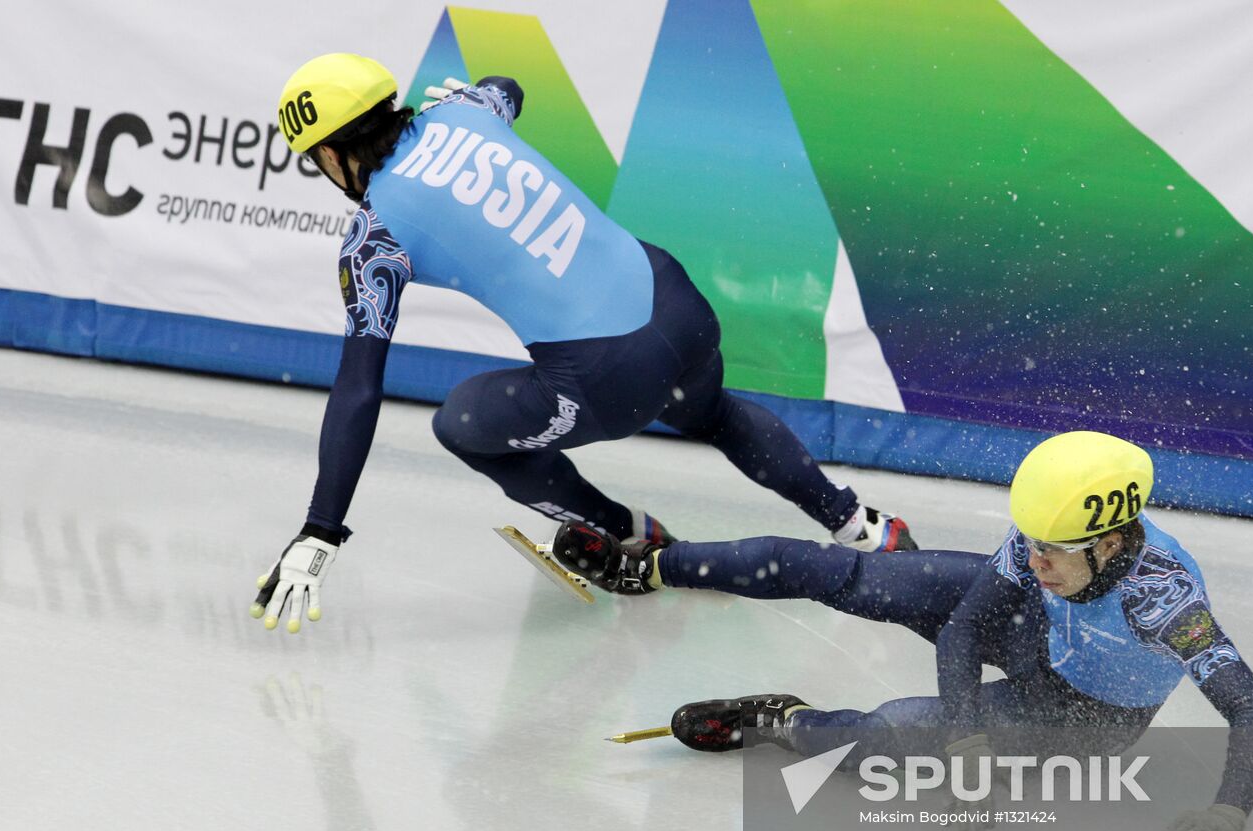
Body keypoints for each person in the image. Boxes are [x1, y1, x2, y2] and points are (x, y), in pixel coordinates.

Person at [250, 53, 915, 634]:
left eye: (317, 164)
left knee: (462, 423)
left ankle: (625, 534)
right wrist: (460, 99)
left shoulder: (374, 238)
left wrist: (322, 526)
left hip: (608, 372)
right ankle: (862, 525)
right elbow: (504, 82)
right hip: (674, 300)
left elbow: (359, 388)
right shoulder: (467, 113)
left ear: (334, 154)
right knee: (714, 411)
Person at [550, 430, 1253, 831]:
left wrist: (1229, 811)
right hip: (1035, 630)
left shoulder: (1167, 599)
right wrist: (967, 741)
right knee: (835, 569)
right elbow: (964, 627)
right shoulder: (1045, 544)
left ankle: (789, 721)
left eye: (1052, 550)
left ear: (1112, 540)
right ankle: (645, 566)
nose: (1032, 559)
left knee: (884, 733)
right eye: (1025, 541)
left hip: (1082, 716)